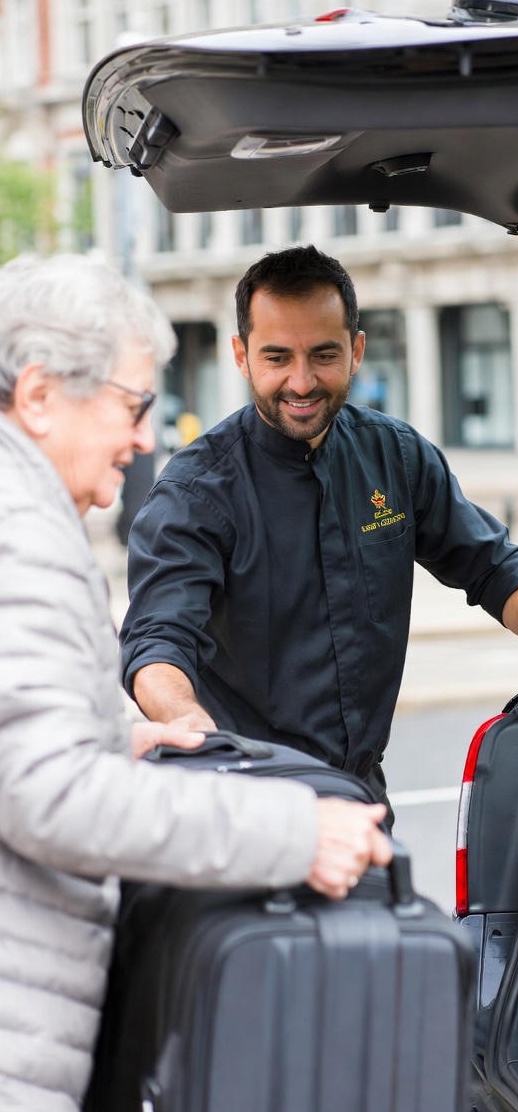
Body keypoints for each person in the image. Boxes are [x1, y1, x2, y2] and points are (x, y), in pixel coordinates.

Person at [0, 252, 391, 1112]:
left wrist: (116, 734)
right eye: (132, 405)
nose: (145, 437)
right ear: (38, 398)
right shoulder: (20, 535)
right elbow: (48, 794)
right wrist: (291, 831)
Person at [120, 245, 518, 815]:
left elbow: (494, 564)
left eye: (323, 354)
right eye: (277, 357)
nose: (301, 382)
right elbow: (157, 642)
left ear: (356, 351)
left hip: (363, 796)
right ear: (241, 356)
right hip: (243, 803)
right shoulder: (195, 491)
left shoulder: (396, 455)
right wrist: (187, 723)